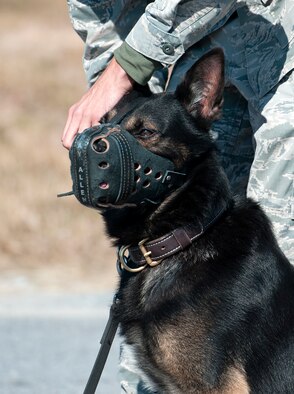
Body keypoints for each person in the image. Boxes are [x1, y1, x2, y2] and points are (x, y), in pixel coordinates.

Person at [63, 1, 294, 392]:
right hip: (182, 73)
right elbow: (107, 46)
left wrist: (125, 69)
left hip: (277, 52)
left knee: (277, 246)